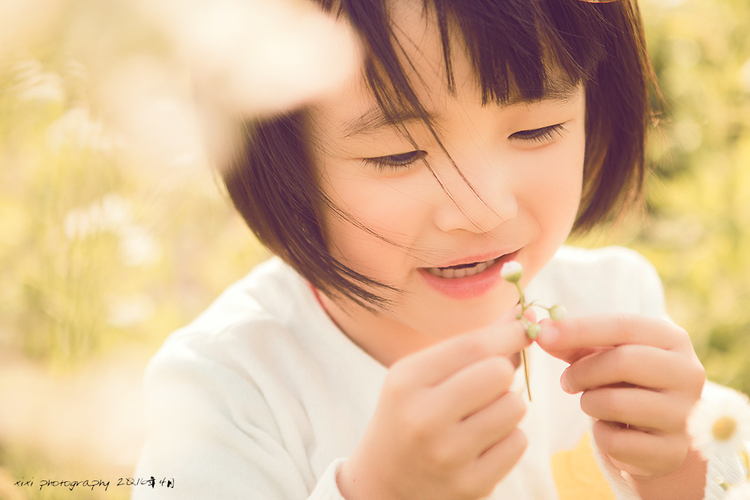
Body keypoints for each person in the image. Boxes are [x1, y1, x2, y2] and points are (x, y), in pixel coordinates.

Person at [133, 0, 742, 498]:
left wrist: (674, 474)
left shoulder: (611, 308)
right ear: (273, 160)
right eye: (398, 154)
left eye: (535, 129)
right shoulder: (228, 392)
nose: (483, 208)